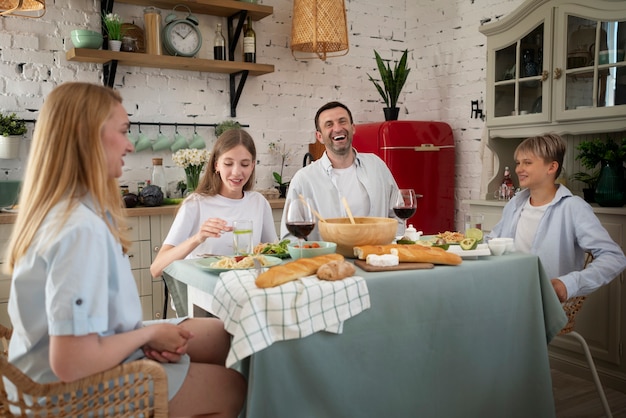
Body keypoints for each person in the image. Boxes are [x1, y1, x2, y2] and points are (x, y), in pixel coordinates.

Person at [5, 82, 246, 417]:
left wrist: (143, 336)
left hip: (61, 359)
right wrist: (147, 334)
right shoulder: (78, 229)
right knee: (234, 388)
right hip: (63, 391)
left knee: (227, 333)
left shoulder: (71, 209)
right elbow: (71, 361)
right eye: (122, 131)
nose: (130, 145)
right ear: (87, 136)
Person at [487, 133, 626, 302]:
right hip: (508, 295)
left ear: (551, 167)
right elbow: (492, 242)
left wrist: (567, 284)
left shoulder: (573, 208)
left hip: (546, 306)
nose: (518, 169)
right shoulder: (515, 204)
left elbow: (614, 258)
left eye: (527, 163)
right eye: (518, 163)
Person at [150, 128, 277, 278]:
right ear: (216, 165)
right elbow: (156, 269)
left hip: (245, 288)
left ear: (252, 166)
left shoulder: (259, 202)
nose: (236, 172)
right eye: (228, 163)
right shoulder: (195, 203)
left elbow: (274, 254)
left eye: (244, 164)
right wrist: (198, 237)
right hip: (201, 294)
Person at [280, 101, 400, 241]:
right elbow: (290, 237)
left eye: (342, 121)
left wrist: (393, 249)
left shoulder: (377, 166)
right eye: (329, 124)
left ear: (353, 128)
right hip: (327, 261)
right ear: (319, 136)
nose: (337, 129)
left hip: (376, 258)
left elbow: (397, 215)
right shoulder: (304, 179)